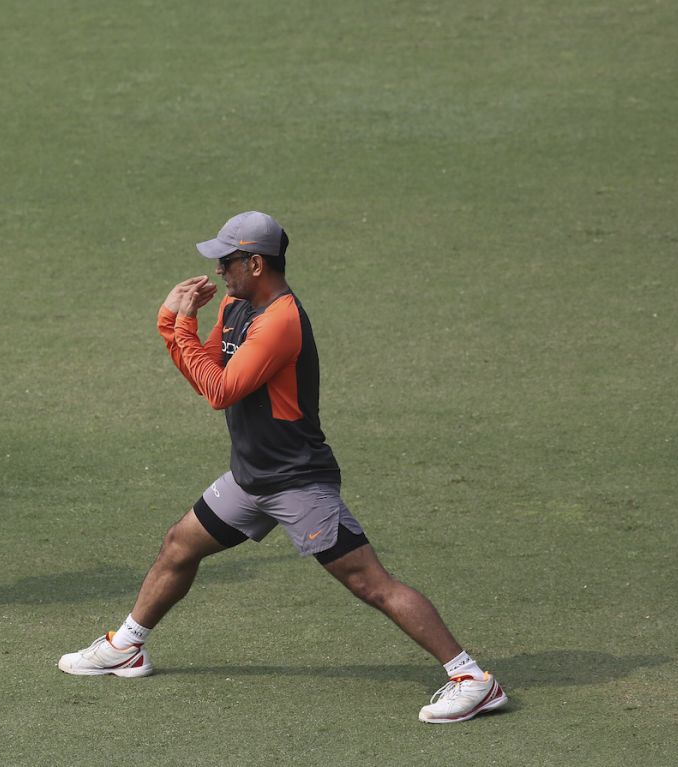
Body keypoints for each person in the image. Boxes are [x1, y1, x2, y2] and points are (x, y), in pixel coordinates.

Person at [58, 211, 507, 724]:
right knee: (179, 546)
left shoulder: (280, 322)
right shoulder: (236, 305)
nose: (220, 270)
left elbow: (220, 391)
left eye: (227, 261)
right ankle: (126, 645)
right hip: (253, 478)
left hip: (297, 482)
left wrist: (176, 323)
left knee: (370, 583)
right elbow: (209, 369)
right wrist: (174, 326)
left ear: (255, 262)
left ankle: (473, 678)